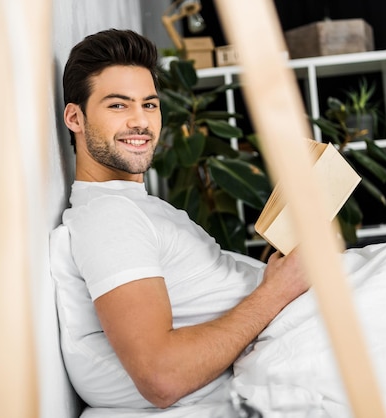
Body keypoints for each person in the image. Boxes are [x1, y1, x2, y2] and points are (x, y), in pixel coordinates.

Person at [51, 28, 310, 411]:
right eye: (119, 106)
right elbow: (161, 376)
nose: (140, 122)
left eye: (150, 105)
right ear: (75, 117)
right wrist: (276, 292)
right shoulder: (109, 217)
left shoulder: (135, 205)